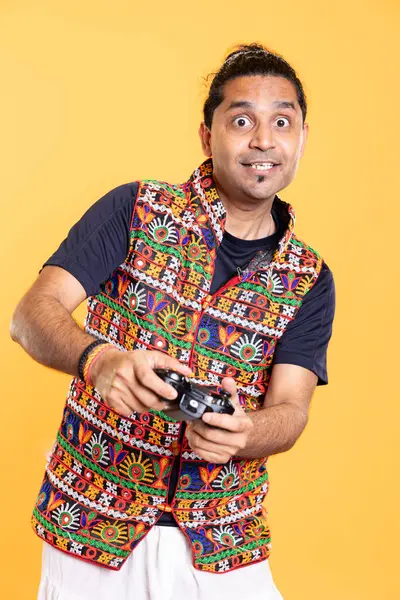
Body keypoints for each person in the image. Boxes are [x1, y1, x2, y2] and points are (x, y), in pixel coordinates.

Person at [10, 43, 335, 600]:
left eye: (282, 121)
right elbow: (30, 316)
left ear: (302, 138)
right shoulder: (134, 210)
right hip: (90, 529)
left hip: (222, 543)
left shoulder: (310, 277)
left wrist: (245, 432)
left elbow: (292, 410)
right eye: (242, 120)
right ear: (208, 136)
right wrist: (100, 360)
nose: (263, 140)